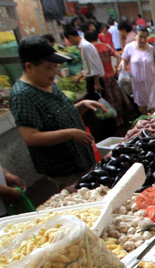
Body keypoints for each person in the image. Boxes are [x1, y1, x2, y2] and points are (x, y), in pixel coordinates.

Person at [10, 36, 105, 189]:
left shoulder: (48, 83)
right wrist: (70, 133)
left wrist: (81, 105)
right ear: (29, 67)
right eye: (48, 67)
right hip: (63, 168)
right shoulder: (22, 95)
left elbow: (60, 114)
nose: (54, 71)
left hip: (81, 160)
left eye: (55, 66)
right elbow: (31, 137)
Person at [119, 26, 155, 114]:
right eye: (140, 36)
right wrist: (122, 63)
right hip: (138, 83)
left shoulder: (151, 49)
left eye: (145, 37)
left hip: (152, 81)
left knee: (154, 106)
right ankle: (146, 122)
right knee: (142, 106)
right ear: (135, 36)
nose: (143, 39)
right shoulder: (129, 47)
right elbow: (124, 59)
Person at [86, 31, 125, 126]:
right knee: (117, 97)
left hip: (102, 78)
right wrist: (117, 68)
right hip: (111, 75)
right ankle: (122, 119)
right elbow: (118, 56)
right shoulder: (105, 46)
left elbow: (94, 67)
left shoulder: (91, 49)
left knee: (110, 99)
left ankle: (116, 121)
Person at [63, 26, 104, 100]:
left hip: (93, 80)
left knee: (97, 103)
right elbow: (88, 65)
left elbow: (93, 66)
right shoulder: (83, 46)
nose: (70, 42)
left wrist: (96, 83)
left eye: (68, 40)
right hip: (92, 79)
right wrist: (80, 75)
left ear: (70, 37)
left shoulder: (85, 46)